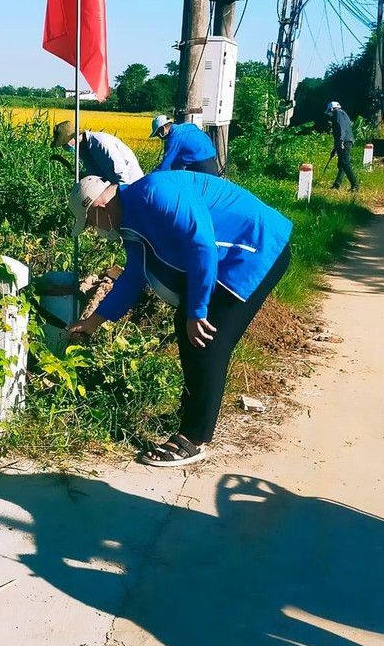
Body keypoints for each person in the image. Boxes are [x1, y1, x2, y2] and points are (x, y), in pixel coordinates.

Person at [66, 172, 293, 466]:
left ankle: (194, 439)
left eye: (91, 225)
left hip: (257, 248)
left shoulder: (154, 193)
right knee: (186, 325)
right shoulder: (131, 223)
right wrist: (93, 322)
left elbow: (202, 245)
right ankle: (191, 412)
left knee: (207, 339)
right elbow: (135, 276)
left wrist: (197, 311)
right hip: (230, 256)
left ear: (98, 208)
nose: (95, 231)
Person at [52, 121, 144, 186]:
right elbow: (94, 173)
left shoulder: (100, 142)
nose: (64, 147)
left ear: (74, 137)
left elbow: (121, 172)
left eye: (64, 144)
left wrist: (123, 195)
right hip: (114, 186)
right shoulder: (83, 149)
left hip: (132, 185)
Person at [150, 113, 220, 175]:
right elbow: (207, 139)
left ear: (162, 129)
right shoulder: (189, 126)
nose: (159, 137)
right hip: (213, 163)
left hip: (201, 168)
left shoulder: (174, 138)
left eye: (157, 134)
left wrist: (148, 178)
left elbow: (164, 167)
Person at [326, 101, 359, 191]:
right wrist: (335, 148)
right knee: (341, 165)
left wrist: (341, 141)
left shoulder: (338, 113)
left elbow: (342, 129)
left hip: (344, 141)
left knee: (345, 163)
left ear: (332, 109)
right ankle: (336, 185)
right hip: (346, 141)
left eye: (329, 111)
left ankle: (355, 185)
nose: (329, 115)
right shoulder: (343, 113)